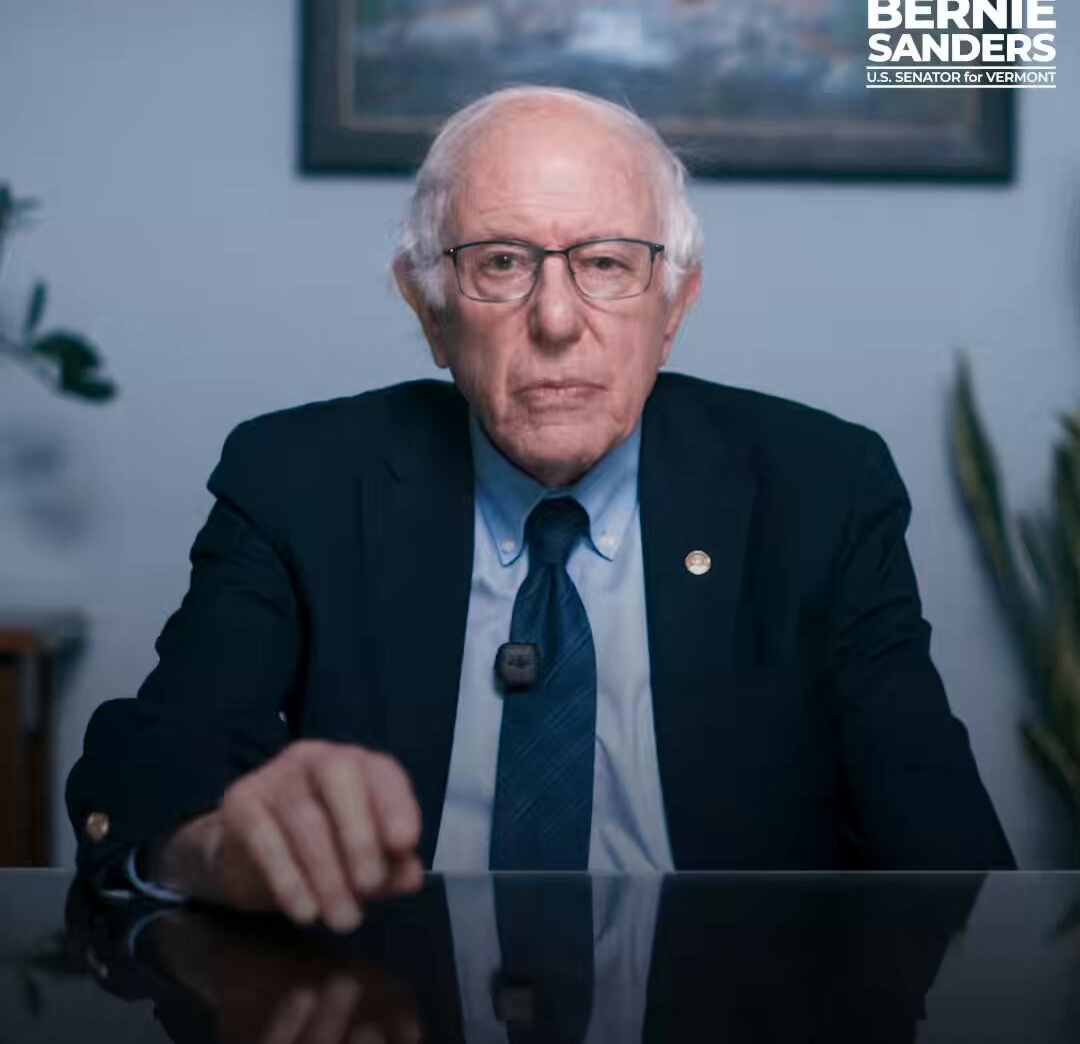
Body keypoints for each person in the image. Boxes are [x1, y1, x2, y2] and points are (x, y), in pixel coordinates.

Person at [67, 85, 1015, 935]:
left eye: (606, 263)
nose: (557, 321)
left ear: (674, 306)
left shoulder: (820, 489)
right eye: (501, 262)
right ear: (430, 311)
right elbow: (150, 769)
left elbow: (948, 861)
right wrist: (208, 848)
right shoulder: (298, 482)